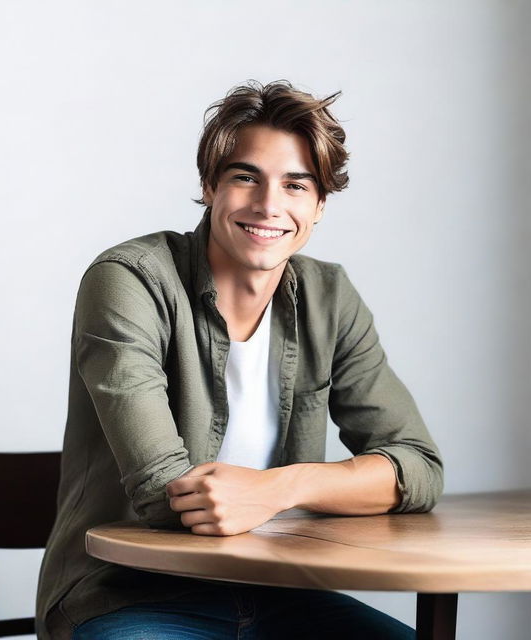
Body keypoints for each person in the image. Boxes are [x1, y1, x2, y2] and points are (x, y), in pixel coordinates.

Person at [36, 80, 443, 640]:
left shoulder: (330, 297)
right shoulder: (130, 280)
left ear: (320, 205)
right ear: (209, 186)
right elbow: (164, 493)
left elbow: (416, 467)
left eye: (296, 185)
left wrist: (284, 487)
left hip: (286, 594)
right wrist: (345, 485)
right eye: (246, 176)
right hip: (132, 596)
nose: (269, 205)